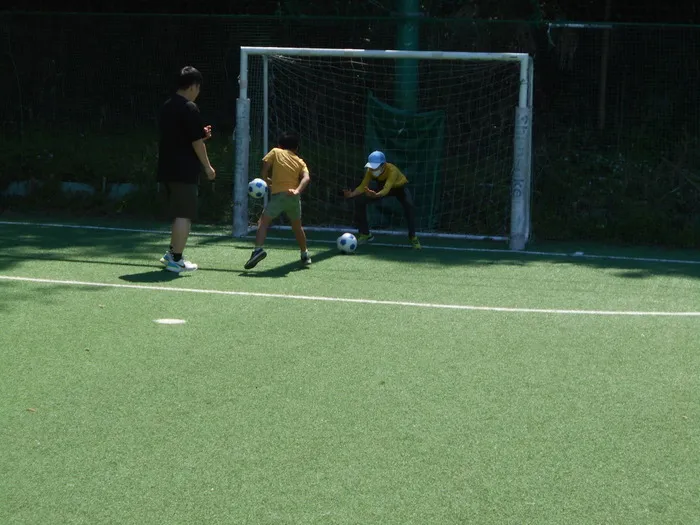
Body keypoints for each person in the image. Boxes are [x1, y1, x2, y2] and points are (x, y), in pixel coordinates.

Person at [157, 66, 216, 273]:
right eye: (198, 88)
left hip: (167, 167)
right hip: (183, 170)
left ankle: (171, 253)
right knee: (184, 214)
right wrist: (208, 167)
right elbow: (196, 142)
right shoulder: (189, 107)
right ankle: (176, 259)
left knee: (178, 213)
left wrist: (200, 134)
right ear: (193, 86)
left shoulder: (167, 105)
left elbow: (183, 134)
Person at [244, 133, 311, 269]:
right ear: (296, 148)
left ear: (280, 146)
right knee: (297, 227)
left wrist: (265, 178)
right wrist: (297, 190)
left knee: (263, 222)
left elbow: (265, 165)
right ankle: (305, 254)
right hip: (294, 197)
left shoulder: (276, 151)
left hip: (280, 196)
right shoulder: (300, 161)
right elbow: (306, 178)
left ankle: (258, 250)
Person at [343, 150, 421, 249]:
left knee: (409, 207)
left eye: (375, 166)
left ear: (383, 165)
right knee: (359, 201)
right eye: (371, 166)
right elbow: (363, 186)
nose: (372, 169)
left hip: (399, 188)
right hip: (382, 187)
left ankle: (412, 236)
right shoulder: (370, 171)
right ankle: (365, 234)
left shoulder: (392, 170)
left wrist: (376, 195)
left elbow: (386, 189)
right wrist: (351, 194)